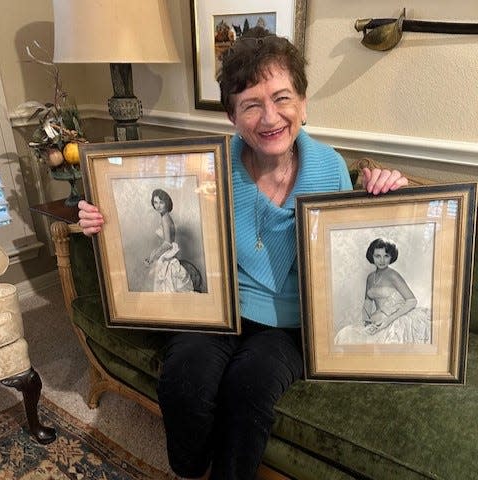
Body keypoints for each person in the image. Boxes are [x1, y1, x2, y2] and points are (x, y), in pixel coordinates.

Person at [78, 27, 408, 480]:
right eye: (251, 104)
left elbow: (352, 250)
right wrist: (103, 217)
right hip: (219, 308)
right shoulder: (207, 166)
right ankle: (190, 471)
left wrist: (385, 196)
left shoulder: (330, 168)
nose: (270, 117)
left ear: (304, 104)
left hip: (290, 324)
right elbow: (144, 203)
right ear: (232, 117)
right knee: (185, 378)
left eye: (282, 98)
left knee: (248, 389)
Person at [335, 238, 431, 344]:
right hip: (377, 319)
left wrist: (388, 320)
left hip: (396, 319)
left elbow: (412, 301)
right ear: (372, 256)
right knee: (345, 334)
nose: (382, 260)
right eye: (377, 256)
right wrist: (367, 321)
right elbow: (368, 301)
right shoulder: (370, 277)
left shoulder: (393, 275)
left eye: (386, 256)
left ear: (391, 257)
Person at [143, 188, 194, 293]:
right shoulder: (165, 217)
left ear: (167, 203)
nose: (158, 206)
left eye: (161, 202)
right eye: (155, 202)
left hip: (167, 257)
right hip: (165, 255)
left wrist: (153, 256)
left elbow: (167, 243)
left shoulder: (165, 219)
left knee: (166, 288)